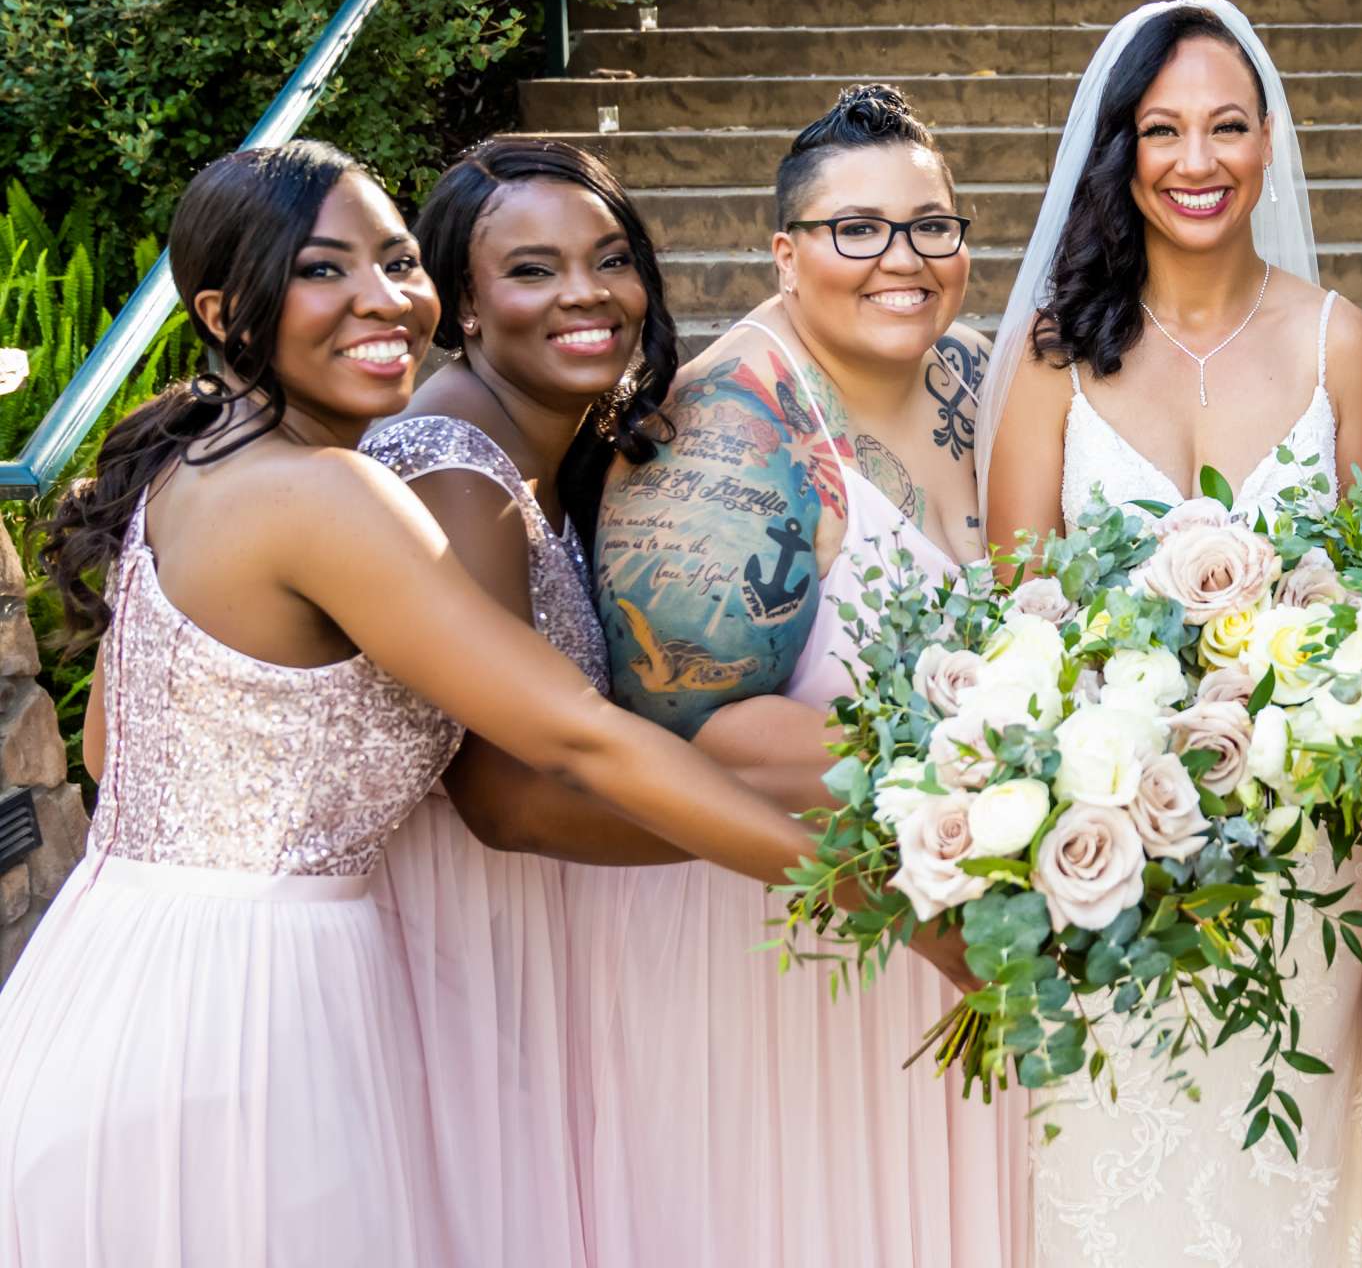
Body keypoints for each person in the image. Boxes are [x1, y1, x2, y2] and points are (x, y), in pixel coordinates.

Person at [0, 142, 833, 1267]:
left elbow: (110, 743)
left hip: (118, 967)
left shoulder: (199, 459)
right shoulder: (328, 491)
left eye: (396, 261)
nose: (382, 299)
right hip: (240, 1018)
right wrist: (856, 876)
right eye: (323, 271)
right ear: (224, 309)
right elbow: (572, 737)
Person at [981, 0, 1362, 1266]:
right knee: (1115, 1174)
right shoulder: (1057, 355)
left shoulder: (1341, 340)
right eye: (1163, 131)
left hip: (1306, 855)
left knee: (1294, 1173)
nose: (1198, 161)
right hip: (1116, 844)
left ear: (1270, 139)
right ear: (1122, 152)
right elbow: (1018, 618)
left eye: (1227, 125)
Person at [581, 85, 1020, 1268]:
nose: (905, 260)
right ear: (784, 251)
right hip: (812, 945)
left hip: (1000, 914)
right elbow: (703, 732)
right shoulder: (724, 433)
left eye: (933, 226)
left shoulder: (981, 372)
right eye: (857, 229)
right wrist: (995, 790)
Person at [360, 137, 683, 1268]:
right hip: (452, 919)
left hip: (515, 913)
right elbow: (503, 794)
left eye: (610, 257)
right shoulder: (449, 465)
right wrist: (771, 844)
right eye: (533, 270)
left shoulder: (560, 438)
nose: (588, 293)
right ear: (461, 309)